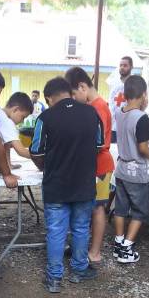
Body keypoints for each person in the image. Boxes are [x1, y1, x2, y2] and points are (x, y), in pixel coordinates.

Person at [29, 77, 102, 292]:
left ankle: (54, 279)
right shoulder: (91, 113)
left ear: (49, 97)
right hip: (84, 184)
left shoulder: (45, 117)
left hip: (56, 185)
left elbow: (36, 151)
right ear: (69, 92)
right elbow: (98, 145)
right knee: (80, 228)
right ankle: (79, 270)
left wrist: (46, 165)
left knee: (56, 230)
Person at [112, 75, 149, 266]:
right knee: (139, 210)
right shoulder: (141, 117)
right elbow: (143, 147)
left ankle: (118, 242)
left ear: (126, 93)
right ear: (144, 94)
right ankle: (127, 248)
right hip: (136, 172)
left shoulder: (119, 112)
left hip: (120, 169)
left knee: (120, 208)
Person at [65, 66, 114, 266]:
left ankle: (94, 252)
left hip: (100, 166)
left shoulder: (98, 107)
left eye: (74, 94)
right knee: (88, 207)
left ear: (82, 87)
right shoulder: (91, 105)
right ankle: (81, 246)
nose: (74, 99)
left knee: (97, 208)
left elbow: (98, 142)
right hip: (90, 165)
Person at [0, 92, 34, 161]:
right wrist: (40, 156)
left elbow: (6, 144)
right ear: (15, 109)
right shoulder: (7, 122)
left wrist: (8, 164)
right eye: (23, 117)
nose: (22, 121)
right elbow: (21, 151)